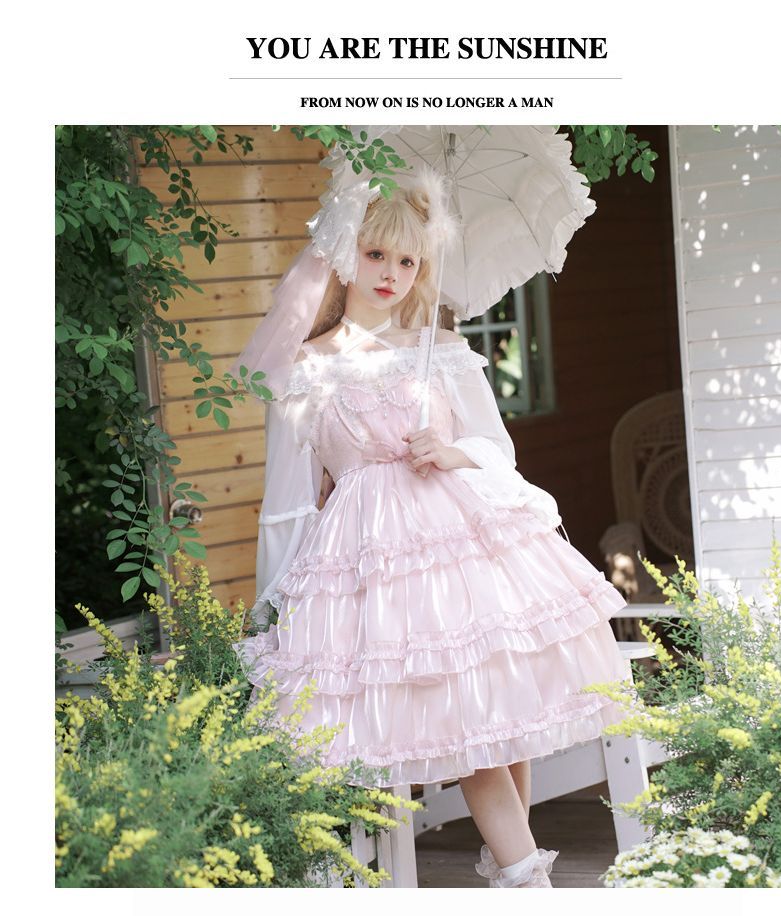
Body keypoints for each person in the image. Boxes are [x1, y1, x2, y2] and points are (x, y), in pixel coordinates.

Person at [230, 169, 631, 889]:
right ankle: (528, 884)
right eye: (376, 254)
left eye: (408, 261)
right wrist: (276, 604)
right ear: (344, 255)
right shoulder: (307, 371)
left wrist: (450, 451)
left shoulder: (439, 350)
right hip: (377, 571)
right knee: (467, 727)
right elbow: (289, 502)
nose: (391, 274)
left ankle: (517, 877)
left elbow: (497, 451)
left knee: (498, 721)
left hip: (465, 554)